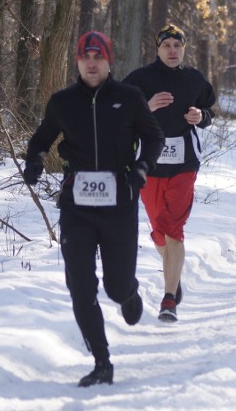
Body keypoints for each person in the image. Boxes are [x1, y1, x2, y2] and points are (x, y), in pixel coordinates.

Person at [23, 31, 164, 387]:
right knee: (81, 287)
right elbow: (41, 140)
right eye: (85, 57)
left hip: (120, 203)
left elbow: (154, 137)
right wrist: (35, 161)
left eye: (98, 57)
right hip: (77, 207)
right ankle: (102, 361)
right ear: (77, 62)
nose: (91, 63)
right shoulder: (62, 102)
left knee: (115, 288)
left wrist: (143, 168)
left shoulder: (129, 98)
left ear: (108, 61)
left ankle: (128, 293)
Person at [122, 24, 216, 323]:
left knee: (172, 228)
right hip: (149, 165)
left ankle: (169, 298)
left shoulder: (194, 79)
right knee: (159, 230)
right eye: (167, 46)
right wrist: (145, 107)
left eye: (178, 45)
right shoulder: (139, 79)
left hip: (184, 165)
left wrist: (201, 117)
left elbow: (209, 112)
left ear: (184, 48)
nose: (173, 50)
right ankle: (173, 279)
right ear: (158, 49)